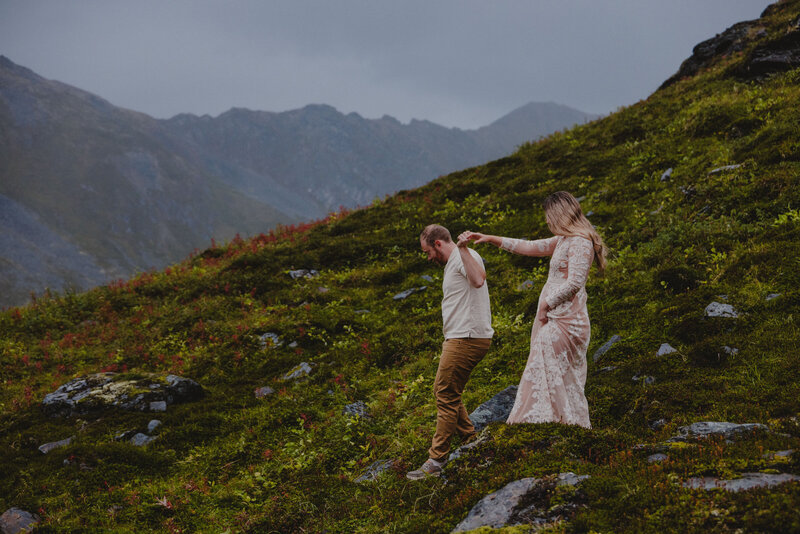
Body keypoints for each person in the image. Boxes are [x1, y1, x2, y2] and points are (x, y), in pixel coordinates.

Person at [459, 191, 607, 429]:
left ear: (560, 214)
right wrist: (491, 238)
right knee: (548, 372)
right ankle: (555, 424)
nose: (547, 222)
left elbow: (575, 282)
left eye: (549, 216)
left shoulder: (580, 241)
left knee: (551, 372)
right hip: (555, 318)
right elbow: (528, 247)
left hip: (566, 321)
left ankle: (557, 424)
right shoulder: (563, 240)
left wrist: (546, 305)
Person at [406, 224, 494, 480]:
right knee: (446, 392)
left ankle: (436, 460)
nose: (428, 258)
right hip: (461, 336)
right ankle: (471, 441)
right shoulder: (456, 260)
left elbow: (478, 280)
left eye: (427, 252)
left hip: (466, 338)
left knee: (445, 394)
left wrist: (465, 248)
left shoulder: (462, 256)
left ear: (437, 244)